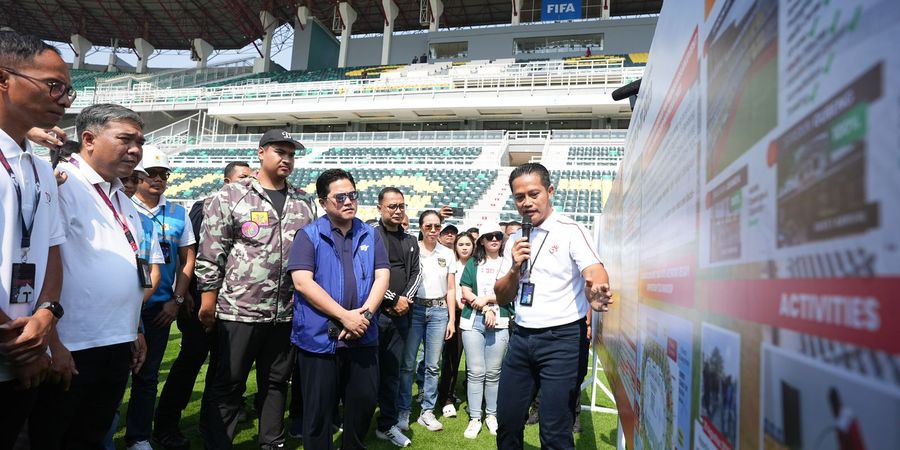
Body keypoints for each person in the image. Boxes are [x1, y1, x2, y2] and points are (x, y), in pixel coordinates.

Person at [29, 103, 149, 449]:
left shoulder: (123, 198)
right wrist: (52, 344)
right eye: (125, 139)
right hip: (71, 346)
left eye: (139, 141)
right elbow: (42, 264)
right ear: (88, 139)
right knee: (52, 437)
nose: (136, 150)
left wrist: (134, 327)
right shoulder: (60, 184)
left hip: (114, 342)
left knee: (91, 438)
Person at [195, 130, 314, 449]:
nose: (287, 158)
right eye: (280, 151)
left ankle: (271, 442)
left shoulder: (304, 201)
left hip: (286, 312)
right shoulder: (231, 195)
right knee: (228, 384)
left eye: (291, 153)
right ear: (261, 153)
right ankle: (219, 442)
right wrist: (208, 300)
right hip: (239, 310)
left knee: (276, 384)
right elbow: (211, 252)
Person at [493, 163, 612, 450]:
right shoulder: (515, 237)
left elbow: (595, 272)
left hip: (561, 339)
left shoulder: (571, 230)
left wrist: (595, 292)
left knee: (555, 429)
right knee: (507, 421)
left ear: (550, 191)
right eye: (519, 197)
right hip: (521, 338)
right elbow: (501, 296)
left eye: (533, 194)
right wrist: (513, 267)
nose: (527, 202)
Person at [0, 31, 73, 449]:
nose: (65, 99)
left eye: (68, 88)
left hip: (27, 356)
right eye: (53, 85)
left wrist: (46, 315)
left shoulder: (40, 166)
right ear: (3, 79)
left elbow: (50, 247)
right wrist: (17, 344)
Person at [154, 160, 254, 446]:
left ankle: (211, 422)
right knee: (190, 362)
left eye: (250, 178)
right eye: (241, 178)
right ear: (225, 181)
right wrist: (187, 295)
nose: (248, 183)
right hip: (200, 303)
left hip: (232, 304)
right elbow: (196, 255)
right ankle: (166, 424)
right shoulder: (206, 205)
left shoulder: (248, 208)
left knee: (223, 368)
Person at [288, 169, 390, 450]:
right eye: (340, 197)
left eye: (352, 195)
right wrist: (345, 316)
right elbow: (302, 281)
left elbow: (382, 276)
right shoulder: (308, 235)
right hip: (320, 339)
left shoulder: (371, 234)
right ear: (323, 202)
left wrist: (365, 315)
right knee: (318, 412)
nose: (348, 201)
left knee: (364, 403)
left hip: (363, 336)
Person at [125, 145, 196, 450]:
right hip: (121, 304)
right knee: (113, 375)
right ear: (137, 176)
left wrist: (176, 300)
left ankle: (139, 437)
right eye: (151, 174)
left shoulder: (179, 212)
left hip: (159, 308)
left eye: (163, 174)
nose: (158, 180)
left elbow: (187, 259)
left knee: (148, 376)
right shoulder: (122, 205)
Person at [398, 210, 456, 432]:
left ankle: (427, 411)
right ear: (420, 227)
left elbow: (451, 289)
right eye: (428, 226)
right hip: (415, 310)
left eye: (437, 226)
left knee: (433, 365)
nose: (433, 230)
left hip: (439, 312)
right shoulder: (413, 249)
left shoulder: (447, 253)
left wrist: (450, 319)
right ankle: (403, 410)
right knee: (408, 364)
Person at [372, 187, 419, 447]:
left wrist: (404, 301)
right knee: (365, 372)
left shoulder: (410, 240)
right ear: (380, 207)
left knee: (392, 373)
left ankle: (386, 425)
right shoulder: (370, 236)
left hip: (401, 317)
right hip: (374, 315)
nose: (398, 210)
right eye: (392, 206)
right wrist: (391, 299)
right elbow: (368, 275)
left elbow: (416, 274)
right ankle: (357, 419)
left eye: (401, 205)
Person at [459, 224, 512, 438]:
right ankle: (474, 418)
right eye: (488, 237)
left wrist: (489, 300)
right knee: (476, 371)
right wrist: (485, 307)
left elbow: (512, 292)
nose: (493, 239)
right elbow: (465, 289)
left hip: (500, 321)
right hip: (473, 320)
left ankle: (491, 415)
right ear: (481, 241)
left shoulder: (509, 264)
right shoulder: (473, 262)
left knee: (493, 373)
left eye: (497, 236)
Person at [436, 232, 475, 419]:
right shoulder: (452, 264)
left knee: (475, 361)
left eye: (468, 244)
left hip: (477, 315)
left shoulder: (479, 264)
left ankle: (474, 397)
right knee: (451, 359)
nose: (465, 247)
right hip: (456, 315)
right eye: (461, 244)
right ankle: (447, 398)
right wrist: (459, 306)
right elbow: (447, 289)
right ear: (456, 246)